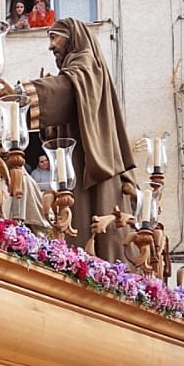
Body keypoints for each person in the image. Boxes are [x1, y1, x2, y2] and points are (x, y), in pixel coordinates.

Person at [22, 18, 137, 260]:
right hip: (77, 155)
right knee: (75, 218)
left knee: (91, 215)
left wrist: (28, 93)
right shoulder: (78, 67)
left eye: (55, 38)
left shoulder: (85, 61)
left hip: (90, 158)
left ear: (71, 37)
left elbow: (66, 90)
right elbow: (72, 106)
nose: (51, 46)